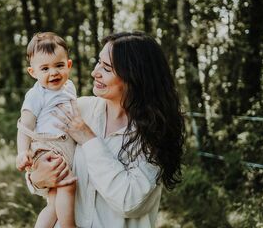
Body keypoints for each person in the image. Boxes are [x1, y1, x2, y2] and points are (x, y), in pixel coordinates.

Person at [27, 31, 185, 228]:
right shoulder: (78, 109)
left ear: (134, 77)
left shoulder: (154, 133)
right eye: (98, 63)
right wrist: (36, 179)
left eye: (107, 68)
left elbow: (130, 202)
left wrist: (89, 139)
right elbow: (45, 155)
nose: (95, 73)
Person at [16, 32, 77, 228]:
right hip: (47, 148)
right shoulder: (36, 95)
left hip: (64, 147)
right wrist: (22, 152)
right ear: (33, 72)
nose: (53, 73)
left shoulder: (69, 88)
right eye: (45, 68)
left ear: (68, 65)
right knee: (67, 184)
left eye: (59, 65)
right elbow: (24, 126)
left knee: (53, 202)